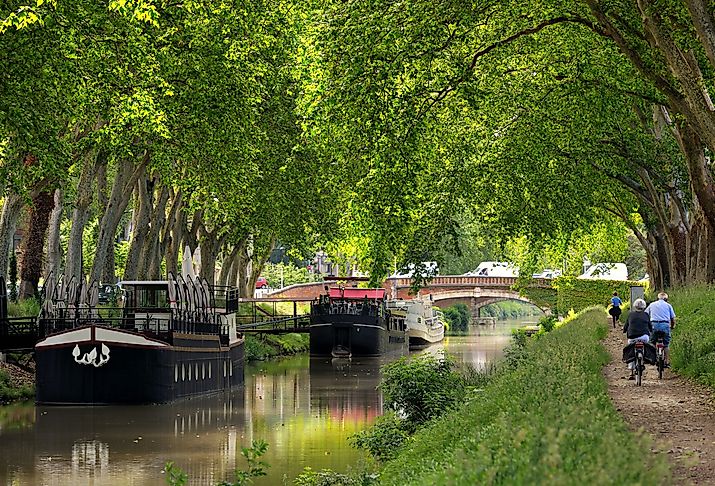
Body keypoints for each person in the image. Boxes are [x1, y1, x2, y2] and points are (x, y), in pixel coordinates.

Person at [623, 298, 652, 379]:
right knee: (645, 346)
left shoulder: (630, 314)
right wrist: (651, 330)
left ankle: (631, 372)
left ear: (635, 306)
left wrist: (624, 330)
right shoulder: (646, 315)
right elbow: (649, 326)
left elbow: (626, 326)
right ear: (644, 307)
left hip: (632, 337)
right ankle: (644, 358)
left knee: (631, 352)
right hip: (644, 337)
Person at [645, 292, 676, 367]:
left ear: (658, 298)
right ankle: (667, 361)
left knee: (652, 341)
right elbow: (672, 318)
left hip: (654, 325)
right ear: (666, 299)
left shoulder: (652, 304)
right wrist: (672, 326)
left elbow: (646, 314)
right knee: (666, 344)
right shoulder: (668, 305)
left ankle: (652, 357)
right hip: (665, 325)